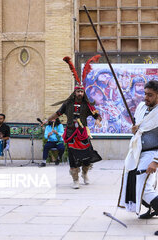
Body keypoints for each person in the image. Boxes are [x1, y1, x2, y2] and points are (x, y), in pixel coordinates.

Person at [117, 80, 158, 236]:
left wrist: (156, 161)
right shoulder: (141, 107)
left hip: (152, 153)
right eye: (145, 93)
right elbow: (141, 127)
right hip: (137, 151)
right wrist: (135, 129)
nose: (146, 97)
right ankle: (152, 209)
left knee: (145, 187)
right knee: (132, 181)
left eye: (150, 95)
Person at [43, 56, 102, 189]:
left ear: (83, 92)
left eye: (81, 91)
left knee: (87, 156)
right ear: (74, 92)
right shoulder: (67, 103)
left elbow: (96, 114)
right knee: (73, 157)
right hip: (71, 133)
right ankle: (75, 180)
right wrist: (47, 119)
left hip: (83, 134)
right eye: (78, 91)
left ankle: (85, 174)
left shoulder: (87, 105)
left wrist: (98, 121)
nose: (80, 93)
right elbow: (57, 113)